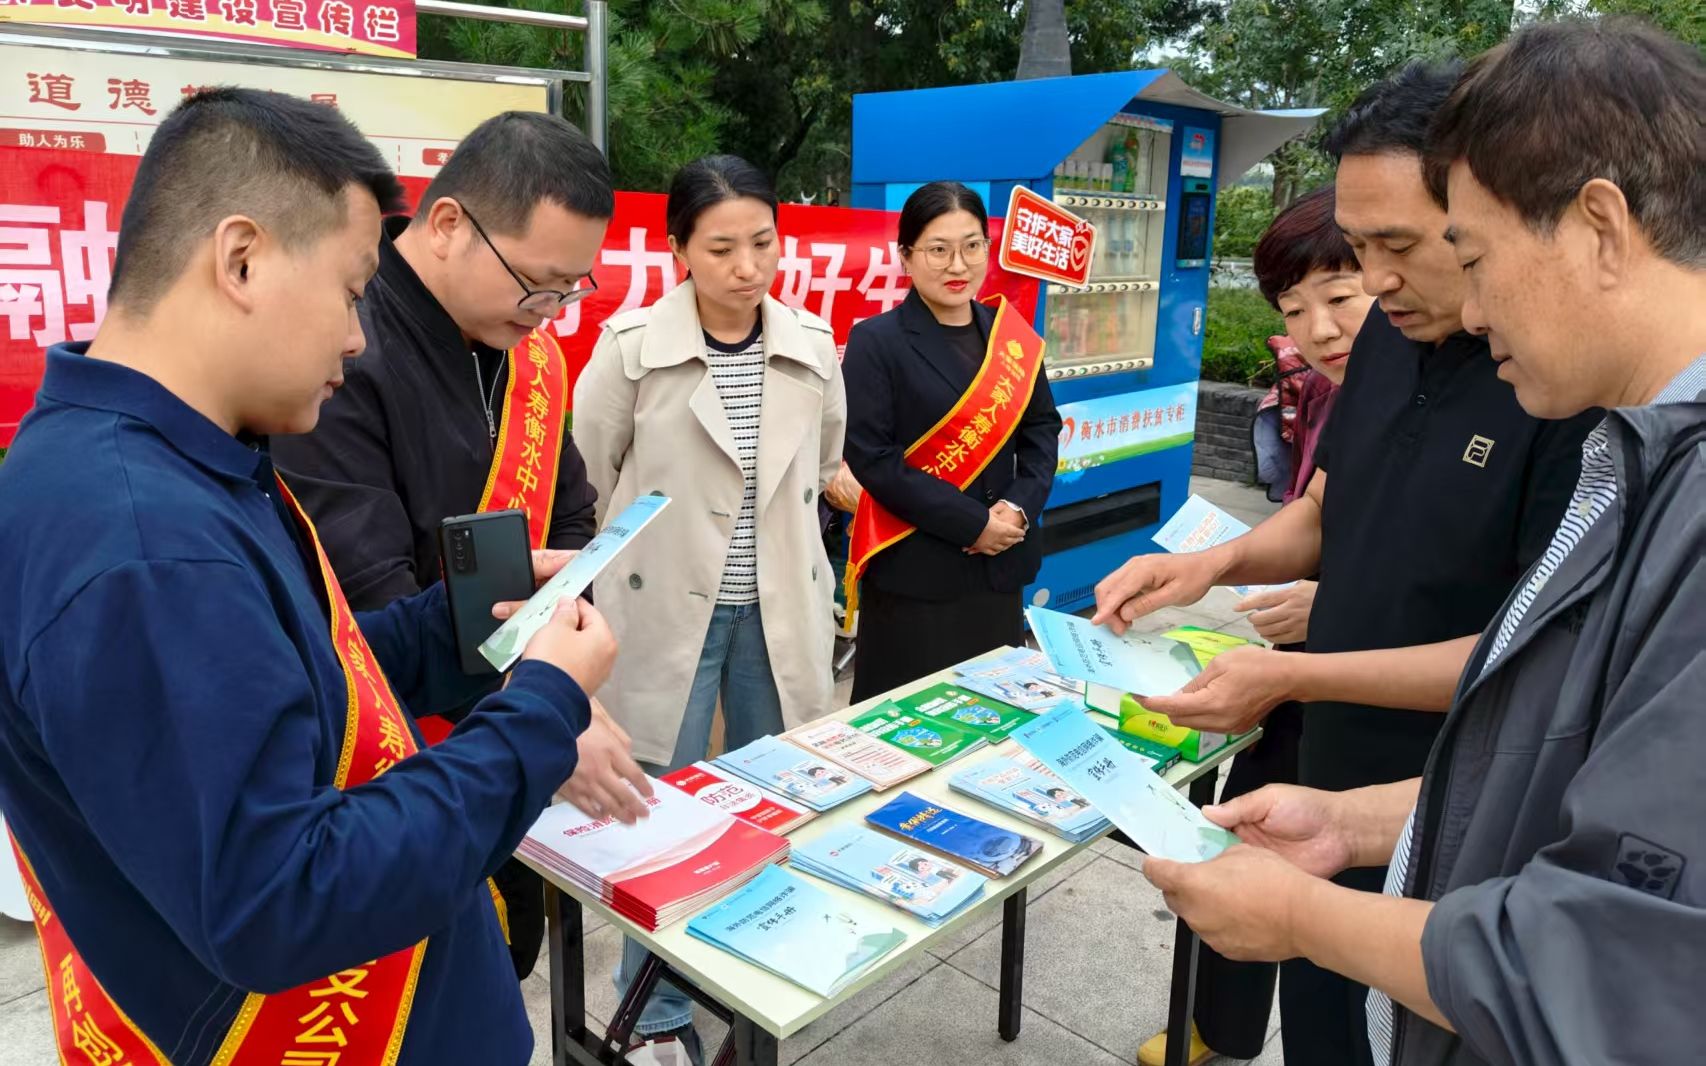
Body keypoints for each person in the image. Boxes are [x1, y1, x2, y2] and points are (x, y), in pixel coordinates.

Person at [0, 88, 626, 1066]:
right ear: (241, 260)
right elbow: (283, 894)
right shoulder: (142, 544)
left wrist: (457, 625)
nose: (357, 337)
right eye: (349, 290)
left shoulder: (174, 466)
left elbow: (289, 674)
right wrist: (541, 707)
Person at [1143, 19, 1706, 1066]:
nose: (1470, 304)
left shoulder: (1617, 441)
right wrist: (1352, 826)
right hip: (1386, 818)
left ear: (1598, 225)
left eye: (1464, 252)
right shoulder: (1620, 438)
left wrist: (1305, 901)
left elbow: (1605, 966)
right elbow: (1554, 749)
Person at [270, 110, 636, 983]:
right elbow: (372, 601)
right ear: (447, 225)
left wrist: (556, 672)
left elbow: (572, 518)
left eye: (569, 291)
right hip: (397, 761)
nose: (548, 313)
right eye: (537, 284)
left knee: (505, 956)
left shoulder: (526, 354)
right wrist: (548, 702)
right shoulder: (344, 356)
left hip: (507, 731)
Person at [572, 154, 846, 1063]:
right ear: (678, 248)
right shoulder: (631, 350)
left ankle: (757, 965)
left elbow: (823, 463)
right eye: (722, 248)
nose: (747, 266)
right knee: (656, 808)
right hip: (661, 610)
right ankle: (652, 1012)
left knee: (778, 793)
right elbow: (588, 478)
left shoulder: (812, 346)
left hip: (779, 605)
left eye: (763, 243)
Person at [1138, 184, 1375, 1066]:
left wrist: (1338, 602)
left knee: (1345, 935)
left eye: (1340, 297)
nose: (1318, 330)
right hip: (1301, 675)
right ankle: (1220, 1025)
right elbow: (1315, 512)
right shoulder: (1360, 389)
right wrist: (1211, 564)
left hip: (1384, 723)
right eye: (1293, 311)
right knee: (1241, 832)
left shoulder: (1517, 390)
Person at [842, 181, 1061, 701]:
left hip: (1000, 564)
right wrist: (972, 523)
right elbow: (874, 459)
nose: (957, 265)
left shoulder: (1011, 338)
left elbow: (1042, 430)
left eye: (972, 246)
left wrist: (1017, 508)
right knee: (909, 718)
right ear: (906, 256)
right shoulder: (876, 341)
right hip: (916, 572)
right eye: (938, 250)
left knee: (994, 712)